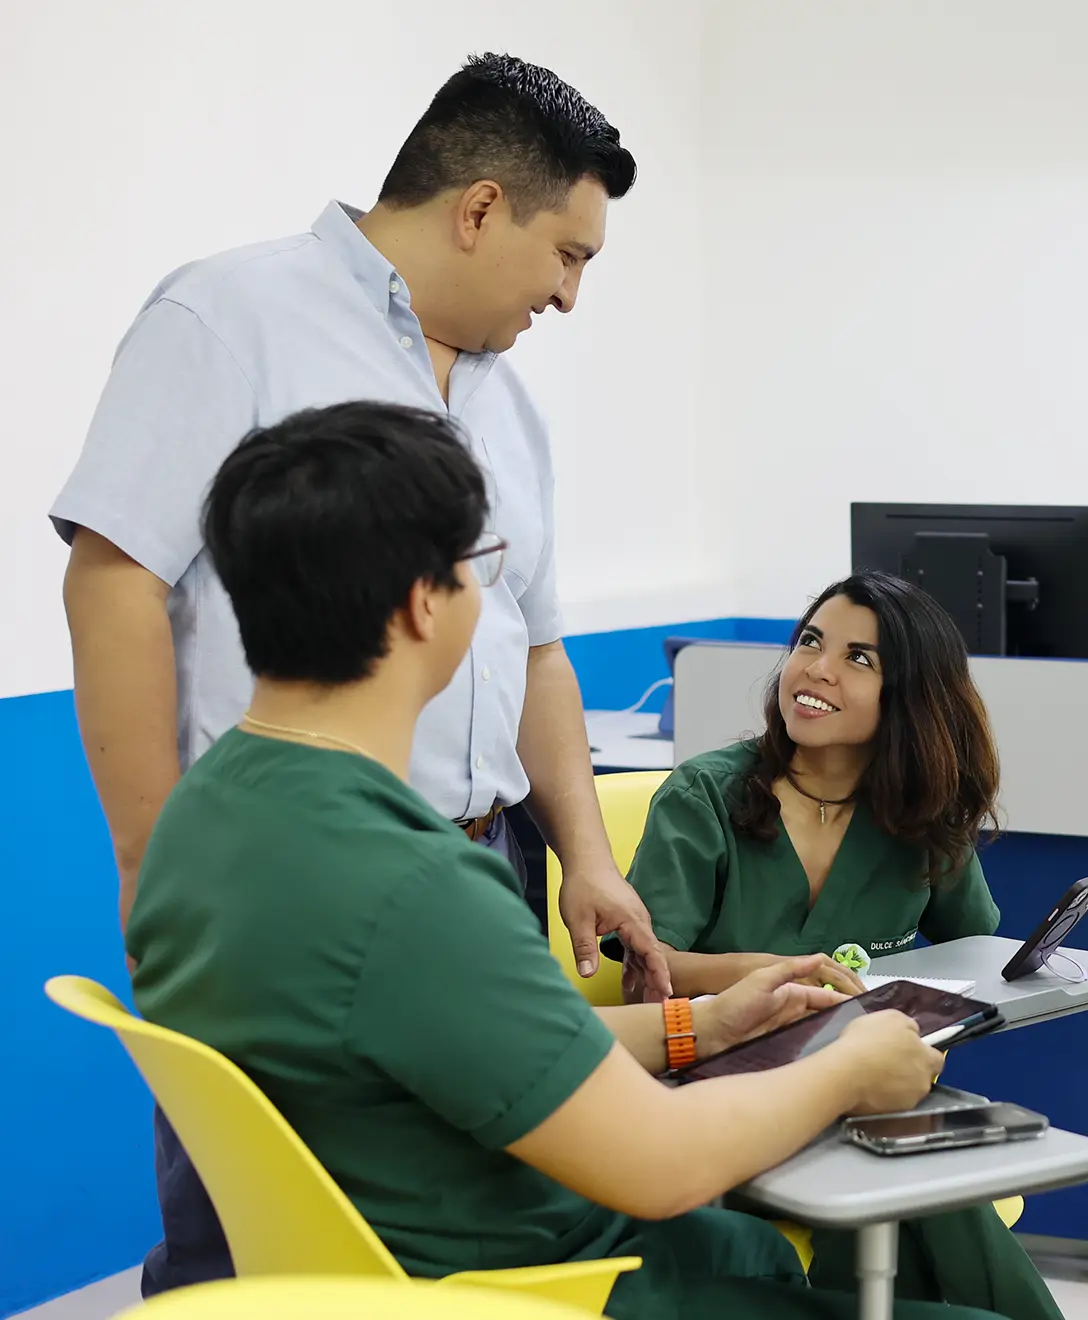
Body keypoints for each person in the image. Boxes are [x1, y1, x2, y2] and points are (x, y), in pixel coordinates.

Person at [128, 400, 1009, 1320]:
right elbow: (663, 1164)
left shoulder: (207, 814)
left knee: (768, 1250)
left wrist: (704, 1026)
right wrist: (850, 1067)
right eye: (486, 568)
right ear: (426, 602)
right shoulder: (421, 885)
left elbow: (493, 1048)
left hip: (383, 1257)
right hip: (531, 1285)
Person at [52, 54, 670, 1294]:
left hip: (481, 862)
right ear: (482, 206)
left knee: (462, 1224)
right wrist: (155, 855)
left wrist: (586, 860)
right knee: (266, 1241)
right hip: (290, 875)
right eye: (569, 256)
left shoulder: (508, 404)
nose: (569, 296)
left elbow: (535, 646)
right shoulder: (229, 320)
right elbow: (114, 580)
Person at [624, 571, 1061, 1320]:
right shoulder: (706, 797)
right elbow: (647, 977)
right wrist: (760, 974)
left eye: (860, 658)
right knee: (926, 1191)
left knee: (920, 1177)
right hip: (718, 1097)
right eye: (810, 641)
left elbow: (975, 953)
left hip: (862, 1092)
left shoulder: (924, 809)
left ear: (912, 697)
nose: (817, 668)